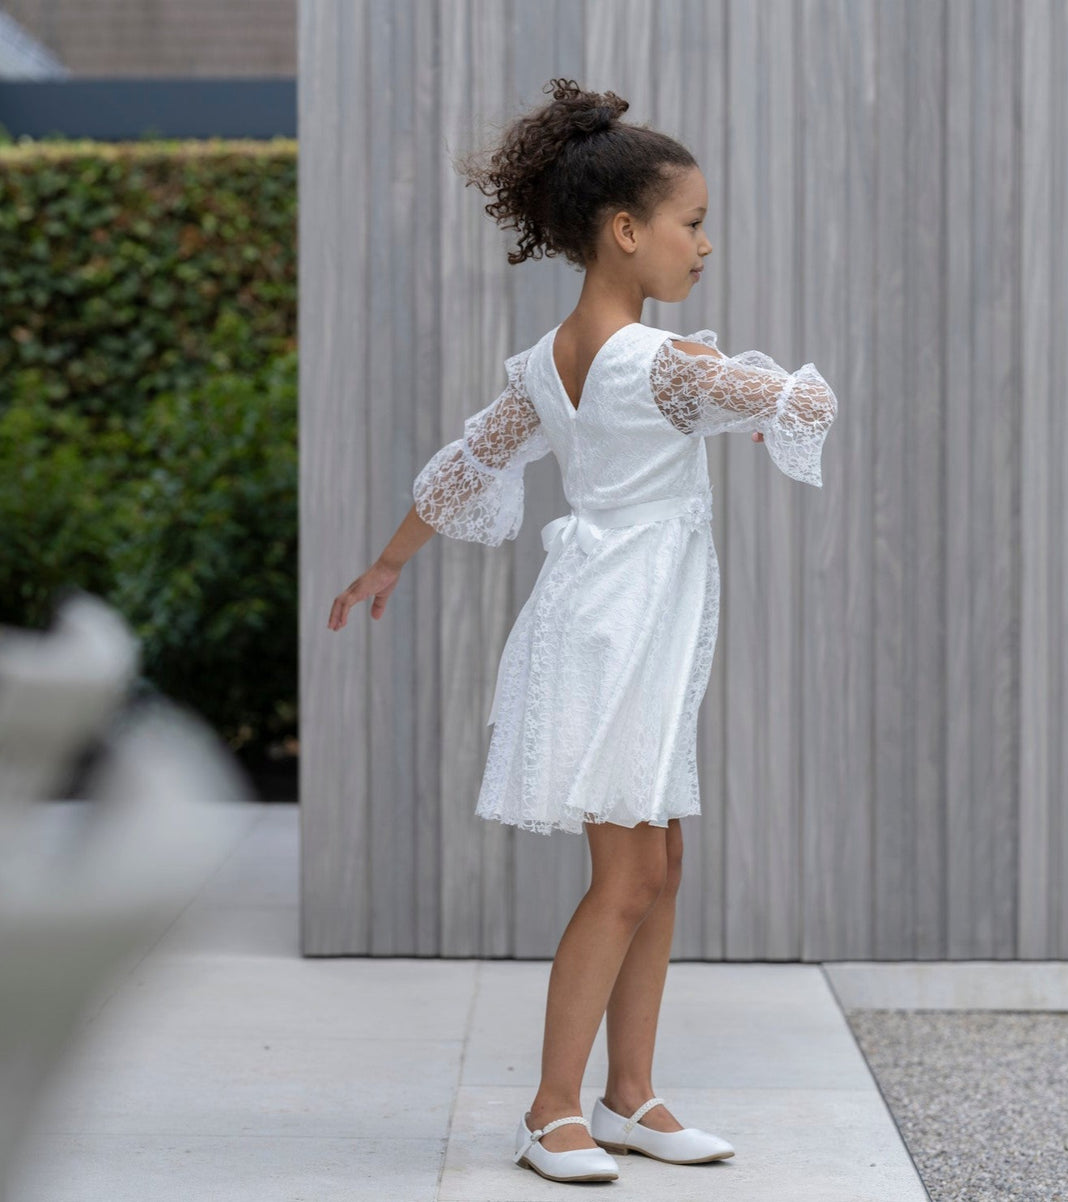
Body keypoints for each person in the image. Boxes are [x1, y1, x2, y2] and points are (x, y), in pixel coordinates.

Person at [327, 78, 838, 1185]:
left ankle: (631, 1093)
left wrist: (387, 559)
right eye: (692, 223)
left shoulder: (555, 358)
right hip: (622, 629)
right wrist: (737, 395)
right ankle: (553, 1106)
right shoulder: (658, 363)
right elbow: (802, 403)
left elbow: (472, 462)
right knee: (625, 875)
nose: (706, 245)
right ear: (625, 230)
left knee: (658, 856)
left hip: (612, 619)